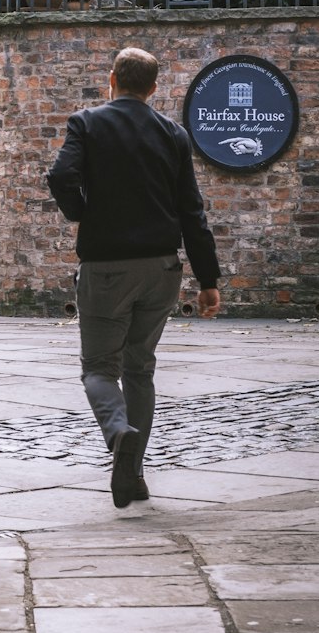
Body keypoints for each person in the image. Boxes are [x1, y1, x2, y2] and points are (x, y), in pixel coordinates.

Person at [47, 46, 221, 508]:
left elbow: (61, 174)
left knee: (99, 369)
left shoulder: (86, 122)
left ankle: (117, 431)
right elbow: (192, 211)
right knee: (140, 368)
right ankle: (132, 477)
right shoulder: (174, 135)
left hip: (105, 268)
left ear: (111, 79)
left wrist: (83, 213)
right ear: (153, 88)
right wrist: (208, 280)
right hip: (161, 269)